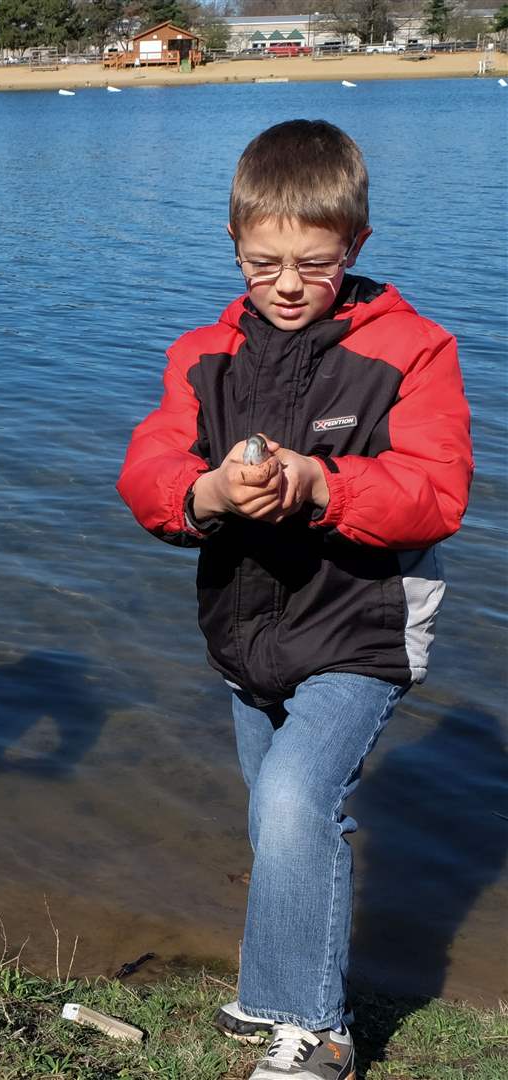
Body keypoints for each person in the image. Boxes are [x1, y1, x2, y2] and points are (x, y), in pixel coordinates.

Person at [116, 120, 472, 1080]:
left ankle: (316, 1034)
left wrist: (321, 485)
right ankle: (272, 988)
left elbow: (439, 493)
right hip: (246, 630)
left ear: (354, 246)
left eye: (312, 264)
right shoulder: (202, 354)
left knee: (293, 798)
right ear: (234, 245)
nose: (284, 284)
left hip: (362, 625)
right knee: (280, 814)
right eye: (262, 262)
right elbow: (148, 467)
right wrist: (207, 494)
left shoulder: (415, 349)